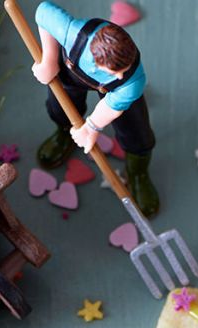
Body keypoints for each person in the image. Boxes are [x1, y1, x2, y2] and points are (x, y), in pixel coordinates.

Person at [30, 2, 159, 217]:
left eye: (124, 69)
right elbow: (43, 12)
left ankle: (138, 172)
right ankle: (64, 134)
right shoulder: (73, 34)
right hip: (71, 74)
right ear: (97, 61)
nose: (121, 75)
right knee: (60, 108)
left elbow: (110, 106)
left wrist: (91, 127)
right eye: (115, 71)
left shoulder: (132, 81)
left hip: (116, 94)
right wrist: (49, 61)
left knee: (137, 132)